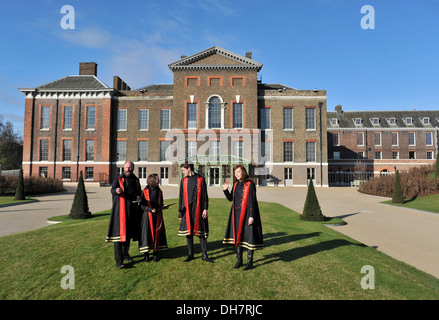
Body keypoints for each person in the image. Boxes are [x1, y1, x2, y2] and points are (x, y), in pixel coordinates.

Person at [223, 165, 263, 270]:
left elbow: (252, 201)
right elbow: (231, 199)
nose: (237, 174)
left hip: (247, 215)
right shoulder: (236, 184)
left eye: (239, 172)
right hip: (236, 214)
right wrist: (226, 190)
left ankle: (250, 263)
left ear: (243, 172)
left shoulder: (250, 184)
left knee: (249, 237)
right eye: (235, 172)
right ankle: (239, 261)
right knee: (238, 236)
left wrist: (251, 216)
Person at [106, 161, 141, 268]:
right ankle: (119, 261)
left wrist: (139, 197)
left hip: (132, 212)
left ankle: (126, 254)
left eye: (129, 168)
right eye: (126, 167)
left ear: (133, 169)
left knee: (128, 235)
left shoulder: (136, 180)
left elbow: (139, 192)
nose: (127, 169)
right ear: (123, 168)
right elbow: (112, 189)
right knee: (118, 237)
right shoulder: (118, 179)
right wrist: (116, 190)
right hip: (119, 212)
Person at [178, 163, 213, 263]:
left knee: (201, 233)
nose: (183, 172)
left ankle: (204, 255)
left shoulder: (200, 179)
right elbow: (181, 196)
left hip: (199, 209)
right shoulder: (183, 180)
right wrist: (180, 211)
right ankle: (190, 254)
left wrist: (205, 208)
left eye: (184, 170)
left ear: (189, 169)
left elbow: (205, 195)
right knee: (188, 233)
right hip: (187, 210)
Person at [139, 174, 168, 262]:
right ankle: (146, 255)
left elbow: (160, 203)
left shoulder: (159, 191)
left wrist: (163, 206)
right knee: (147, 235)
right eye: (157, 179)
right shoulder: (144, 191)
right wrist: (150, 209)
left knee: (157, 234)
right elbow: (141, 205)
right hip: (147, 217)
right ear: (152, 180)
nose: (159, 180)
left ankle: (155, 253)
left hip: (158, 216)